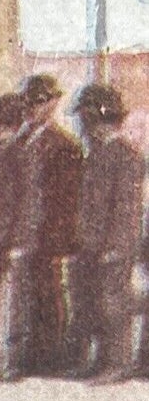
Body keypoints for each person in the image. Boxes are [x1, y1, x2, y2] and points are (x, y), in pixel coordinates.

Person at [68, 83, 143, 383]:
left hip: (113, 247)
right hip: (91, 246)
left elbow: (128, 209)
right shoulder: (96, 154)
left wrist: (117, 247)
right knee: (92, 304)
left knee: (114, 304)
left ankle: (118, 363)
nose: (83, 125)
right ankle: (99, 361)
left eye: (86, 117)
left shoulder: (126, 155)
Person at [18, 75, 84, 377]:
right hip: (27, 234)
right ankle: (34, 356)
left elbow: (67, 201)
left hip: (50, 237)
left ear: (53, 103)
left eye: (40, 102)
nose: (33, 108)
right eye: (30, 102)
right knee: (31, 295)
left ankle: (54, 358)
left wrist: (60, 243)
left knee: (51, 296)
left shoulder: (64, 145)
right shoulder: (22, 141)